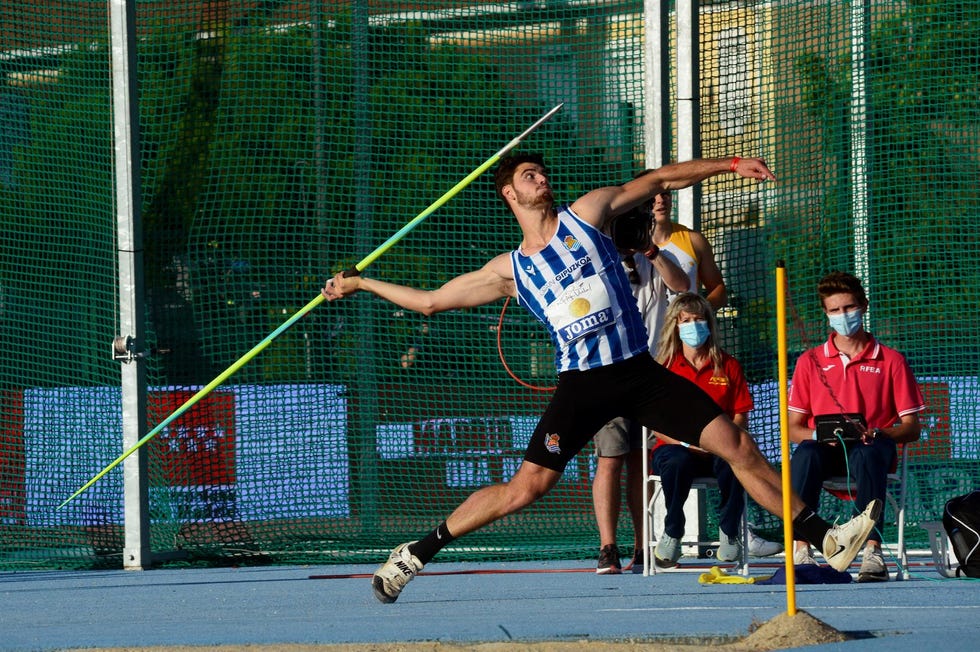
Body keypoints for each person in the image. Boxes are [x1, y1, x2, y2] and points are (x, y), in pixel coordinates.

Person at [322, 153, 880, 603]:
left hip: (639, 372)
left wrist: (729, 166)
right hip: (583, 386)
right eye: (527, 176)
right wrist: (363, 284)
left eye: (541, 172)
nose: (541, 179)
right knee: (526, 490)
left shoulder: (587, 214)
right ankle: (415, 552)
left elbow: (658, 178)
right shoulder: (509, 270)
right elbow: (428, 303)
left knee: (735, 442)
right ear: (509, 195)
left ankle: (824, 536)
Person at [787, 271, 923, 582]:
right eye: (834, 310)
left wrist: (880, 432)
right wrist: (821, 435)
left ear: (863, 306)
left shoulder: (891, 360)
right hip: (826, 451)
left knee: (868, 453)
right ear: (826, 314)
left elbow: (912, 427)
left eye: (848, 308)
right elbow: (793, 428)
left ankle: (871, 551)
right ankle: (801, 547)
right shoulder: (810, 361)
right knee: (807, 453)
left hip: (872, 447)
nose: (842, 316)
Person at [591, 198, 690, 574]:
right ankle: (607, 546)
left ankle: (640, 544)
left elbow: (682, 286)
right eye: (623, 224)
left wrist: (648, 248)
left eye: (638, 222)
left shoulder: (658, 257)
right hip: (608, 371)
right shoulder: (598, 259)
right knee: (610, 458)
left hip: (650, 374)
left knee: (641, 461)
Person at [649, 292, 752, 567]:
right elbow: (656, 423)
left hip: (720, 448)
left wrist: (727, 443)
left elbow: (741, 414)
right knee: (677, 462)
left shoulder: (728, 365)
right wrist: (686, 444)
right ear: (675, 325)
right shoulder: (664, 367)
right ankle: (673, 531)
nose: (694, 325)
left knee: (734, 462)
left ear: (709, 323)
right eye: (686, 320)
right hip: (676, 449)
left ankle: (729, 532)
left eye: (699, 319)